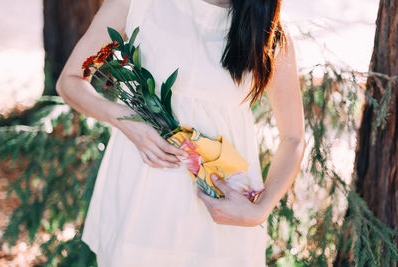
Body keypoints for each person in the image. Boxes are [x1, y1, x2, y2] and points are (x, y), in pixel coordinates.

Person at [56, 0, 306, 265]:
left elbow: (293, 137)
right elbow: (71, 80)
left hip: (222, 213)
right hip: (143, 204)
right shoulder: (137, 4)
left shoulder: (267, 27)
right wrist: (125, 120)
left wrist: (260, 210)